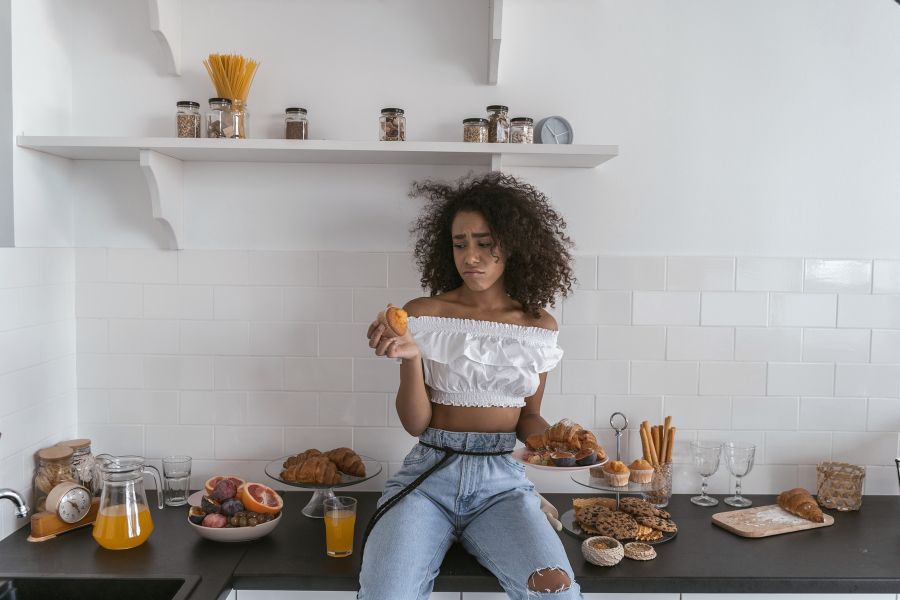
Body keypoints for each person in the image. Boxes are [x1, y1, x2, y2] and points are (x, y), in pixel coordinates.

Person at [359, 172, 581, 600]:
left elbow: (529, 416)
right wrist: (412, 359)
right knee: (387, 594)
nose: (470, 256)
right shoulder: (424, 314)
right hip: (427, 475)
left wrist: (554, 445)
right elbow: (416, 424)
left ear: (513, 244)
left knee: (557, 593)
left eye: (484, 242)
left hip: (504, 483)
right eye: (460, 244)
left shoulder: (539, 326)